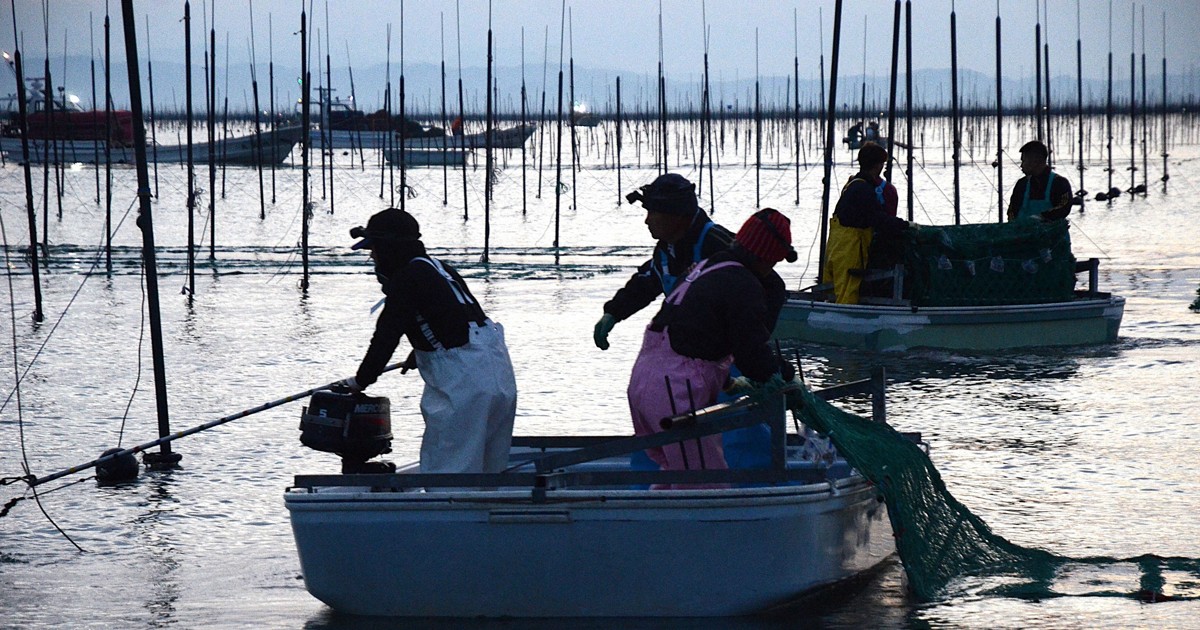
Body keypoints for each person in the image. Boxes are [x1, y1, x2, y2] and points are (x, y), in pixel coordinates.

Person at [627, 208, 797, 489]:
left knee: (676, 473)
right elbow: (752, 355)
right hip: (673, 393)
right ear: (765, 257)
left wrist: (727, 381)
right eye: (775, 261)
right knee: (705, 485)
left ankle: (659, 523)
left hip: (645, 384)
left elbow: (697, 333)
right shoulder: (743, 284)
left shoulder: (707, 266)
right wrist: (785, 375)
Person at [342, 208, 518, 474]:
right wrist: (420, 351)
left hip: (465, 384)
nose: (372, 257)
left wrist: (360, 381)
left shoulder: (406, 279)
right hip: (497, 375)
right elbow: (456, 317)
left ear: (389, 248)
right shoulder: (437, 268)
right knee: (488, 466)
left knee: (450, 468)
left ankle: (449, 513)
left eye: (374, 249)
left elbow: (386, 337)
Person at [594, 173, 790, 351]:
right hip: (687, 356)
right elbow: (645, 284)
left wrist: (755, 345)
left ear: (676, 215)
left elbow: (772, 285)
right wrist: (613, 313)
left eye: (652, 213)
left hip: (727, 359)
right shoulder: (665, 251)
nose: (647, 221)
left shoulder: (718, 247)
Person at [823, 141, 909, 304]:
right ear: (877, 166)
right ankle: (846, 324)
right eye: (882, 165)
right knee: (848, 292)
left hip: (836, 247)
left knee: (833, 289)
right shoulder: (864, 190)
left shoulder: (852, 185)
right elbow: (876, 218)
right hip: (849, 249)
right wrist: (904, 225)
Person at [1007, 140, 1074, 222]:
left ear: (1035, 161)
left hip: (1054, 234)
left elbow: (1064, 207)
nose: (1021, 165)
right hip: (1023, 234)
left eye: (1024, 161)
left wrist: (1042, 217)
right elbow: (1012, 211)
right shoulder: (1022, 184)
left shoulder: (1059, 183)